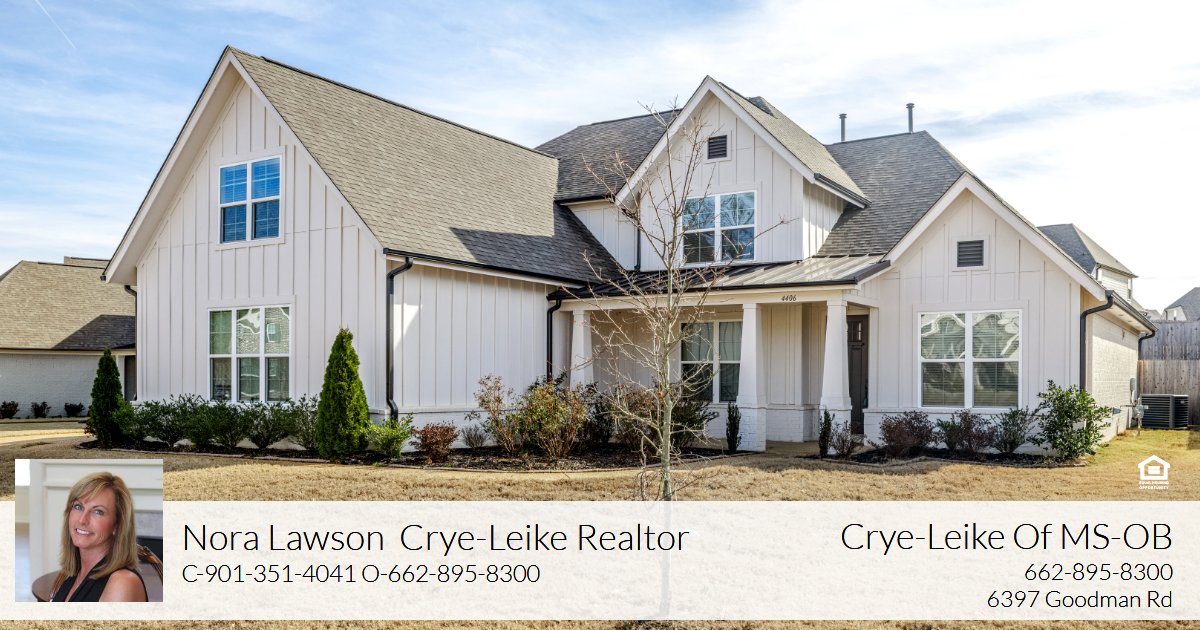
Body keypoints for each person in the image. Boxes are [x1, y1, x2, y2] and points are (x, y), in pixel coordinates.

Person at [48, 472, 148, 602]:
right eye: (78, 507)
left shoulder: (122, 583)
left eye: (98, 511)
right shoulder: (72, 574)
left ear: (117, 525)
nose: (82, 520)